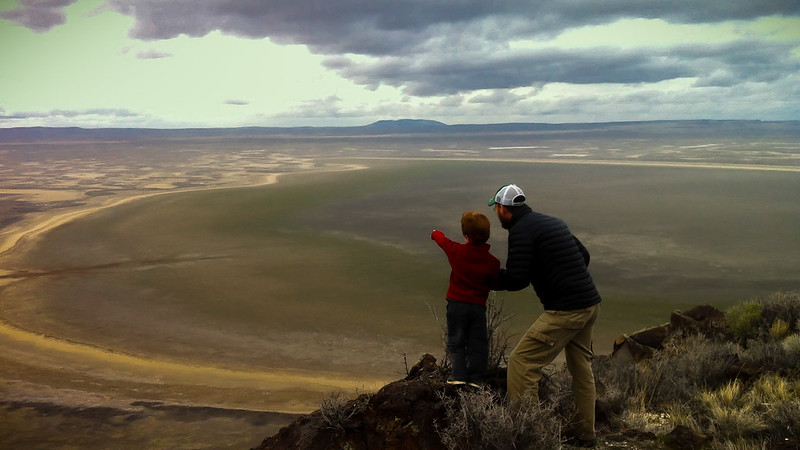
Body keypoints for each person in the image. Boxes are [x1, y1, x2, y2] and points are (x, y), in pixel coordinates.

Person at [489, 184, 602, 447]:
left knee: (522, 363)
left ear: (504, 209)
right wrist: (561, 274)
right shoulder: (553, 222)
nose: (496, 213)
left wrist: (489, 279)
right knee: (581, 370)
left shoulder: (519, 232)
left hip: (566, 310)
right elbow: (583, 255)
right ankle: (586, 435)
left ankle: (530, 437)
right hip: (590, 304)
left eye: (496, 208)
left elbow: (517, 279)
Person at [431, 211, 501, 387]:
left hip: (456, 306)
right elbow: (494, 282)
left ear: (466, 236)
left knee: (456, 341)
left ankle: (459, 375)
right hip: (477, 308)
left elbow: (443, 241)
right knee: (478, 344)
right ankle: (477, 379)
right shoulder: (492, 262)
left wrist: (435, 233)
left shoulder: (457, 251)